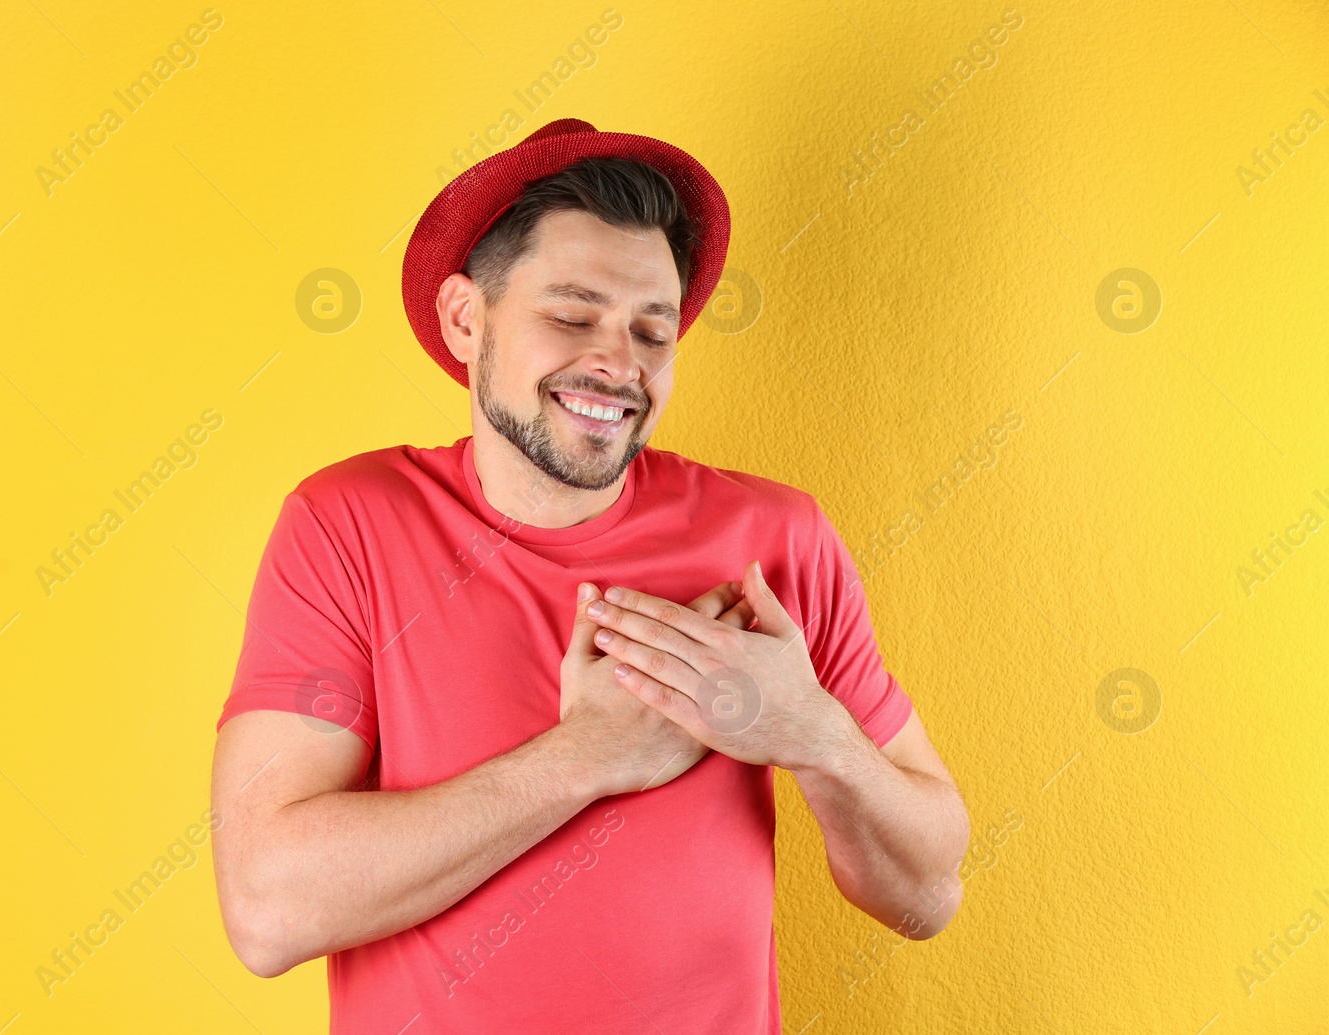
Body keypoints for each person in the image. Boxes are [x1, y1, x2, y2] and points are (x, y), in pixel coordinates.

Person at [210, 117, 970, 1033]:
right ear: (465, 317)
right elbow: (266, 909)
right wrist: (588, 758)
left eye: (654, 331)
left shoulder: (774, 540)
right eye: (572, 315)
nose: (618, 364)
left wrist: (813, 733)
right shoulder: (349, 523)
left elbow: (927, 896)